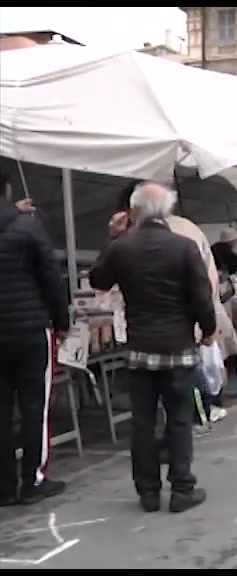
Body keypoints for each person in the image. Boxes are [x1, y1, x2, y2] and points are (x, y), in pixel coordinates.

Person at [90, 183, 213, 513]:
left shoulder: (123, 248)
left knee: (143, 421)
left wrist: (113, 237)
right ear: (167, 211)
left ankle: (147, 491)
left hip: (140, 347)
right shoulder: (184, 247)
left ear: (133, 212)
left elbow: (98, 280)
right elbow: (201, 297)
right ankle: (181, 489)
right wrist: (209, 331)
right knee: (179, 419)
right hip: (178, 345)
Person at [0, 172, 70, 507]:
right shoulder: (27, 226)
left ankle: (4, 485)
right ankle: (32, 479)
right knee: (34, 406)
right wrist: (62, 320)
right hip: (30, 330)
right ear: (8, 188)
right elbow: (51, 278)